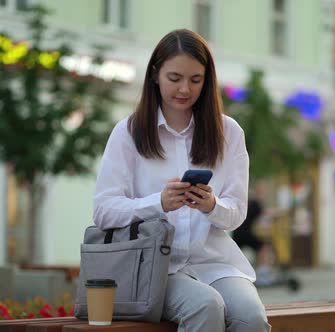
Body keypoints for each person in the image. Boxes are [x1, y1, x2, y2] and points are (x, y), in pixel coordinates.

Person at [93, 29, 270, 332]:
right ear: (155, 75)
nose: (185, 89)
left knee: (251, 317)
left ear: (207, 80)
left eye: (195, 80)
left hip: (214, 263)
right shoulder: (129, 132)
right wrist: (157, 203)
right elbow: (103, 211)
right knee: (205, 306)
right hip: (152, 267)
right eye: (174, 78)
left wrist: (212, 206)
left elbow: (237, 213)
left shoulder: (229, 133)